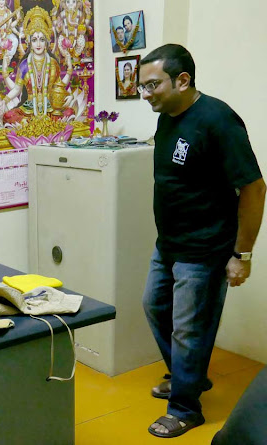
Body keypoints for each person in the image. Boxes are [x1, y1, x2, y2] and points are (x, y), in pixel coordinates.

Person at [138, 44, 266, 438]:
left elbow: (254, 188)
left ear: (183, 80)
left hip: (205, 249)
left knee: (188, 331)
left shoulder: (218, 119)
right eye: (142, 86)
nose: (146, 94)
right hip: (169, 244)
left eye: (152, 85)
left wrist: (241, 254)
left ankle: (185, 408)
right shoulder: (168, 118)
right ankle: (188, 377)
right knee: (154, 306)